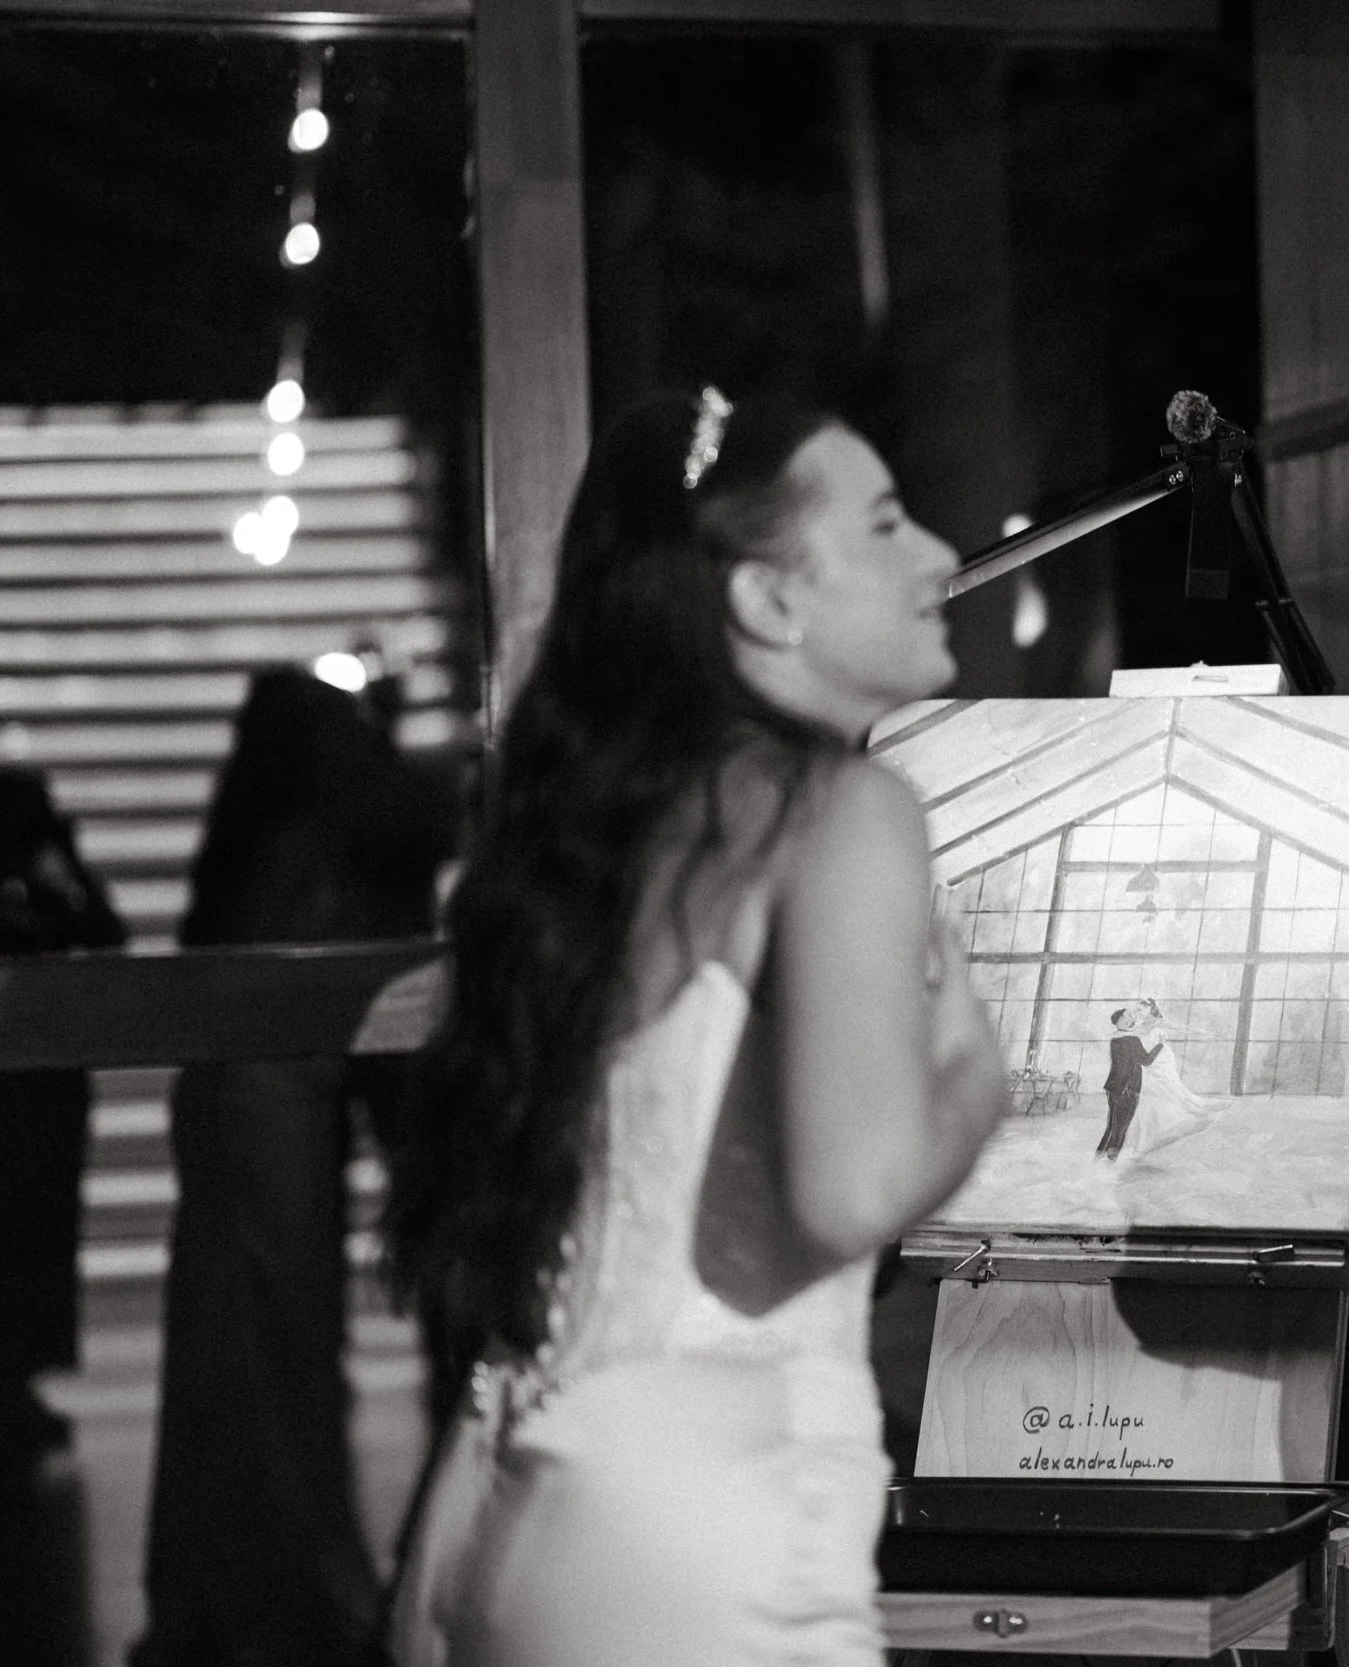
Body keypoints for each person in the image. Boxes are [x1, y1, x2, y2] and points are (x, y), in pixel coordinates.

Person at [383, 387, 1009, 1666]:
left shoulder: (601, 830)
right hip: (721, 1506)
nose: (941, 557)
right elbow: (852, 1192)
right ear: (766, 600)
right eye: (886, 524)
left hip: (525, 1486)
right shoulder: (836, 809)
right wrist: (978, 1077)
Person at [135, 670, 458, 1667]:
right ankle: (277, 1597)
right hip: (269, 1120)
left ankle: (222, 1596)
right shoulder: (324, 835)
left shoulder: (274, 835)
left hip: (255, 1116)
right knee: (270, 1349)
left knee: (239, 1351)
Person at [0, 769, 124, 1470]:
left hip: (35, 1094)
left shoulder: (39, 883)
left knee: (31, 1241)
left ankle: (11, 1388)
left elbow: (104, 932)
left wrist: (62, 872)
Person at [1116, 997, 1221, 1161]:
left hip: (1162, 1062)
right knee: (1146, 1100)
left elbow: (1184, 1029)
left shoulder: (1159, 1022)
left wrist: (1205, 1033)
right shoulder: (1137, 1025)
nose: (1137, 1012)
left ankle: (1151, 1138)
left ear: (1150, 1009)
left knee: (1169, 1095)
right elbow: (1123, 1036)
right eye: (1136, 1010)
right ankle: (1142, 1142)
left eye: (1141, 1009)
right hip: (1148, 1064)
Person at [1096, 1007, 1160, 1161]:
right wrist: (1160, 1045)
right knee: (1121, 1129)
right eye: (1129, 1016)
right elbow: (1147, 1060)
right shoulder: (1132, 1041)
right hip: (1129, 1090)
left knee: (1111, 1126)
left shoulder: (1115, 1040)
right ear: (1121, 1019)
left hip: (1113, 1088)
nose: (1132, 1018)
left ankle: (1098, 1157)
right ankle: (1111, 1161)